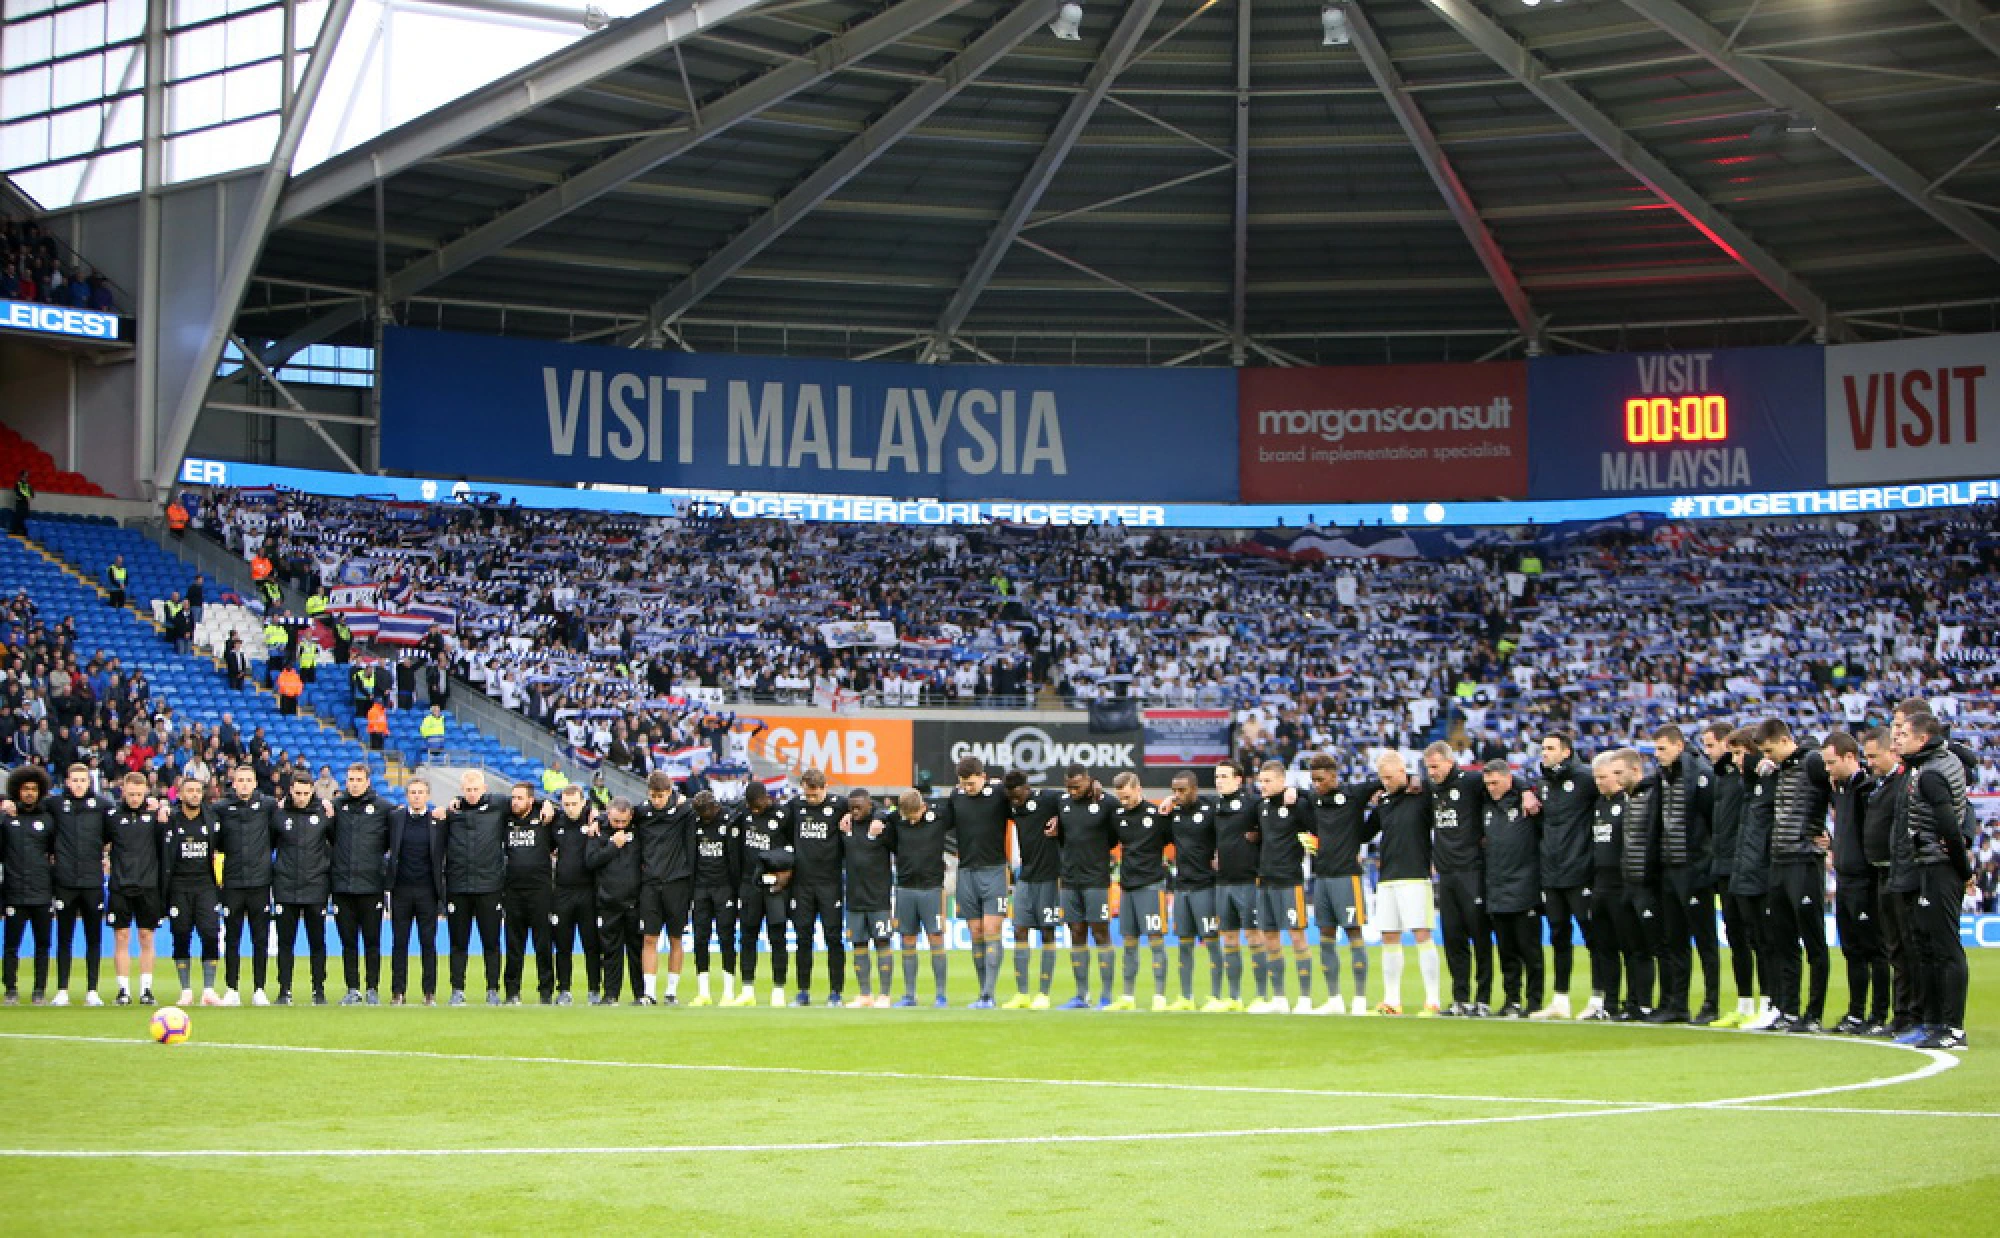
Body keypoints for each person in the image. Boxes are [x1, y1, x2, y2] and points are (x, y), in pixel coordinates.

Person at [1893, 712, 1970, 1050]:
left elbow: (1949, 827)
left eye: (1904, 734)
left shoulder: (1931, 774)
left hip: (1938, 868)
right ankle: (1934, 1022)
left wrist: (1963, 870)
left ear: (1921, 739)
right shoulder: (1941, 761)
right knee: (1928, 947)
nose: (1897, 739)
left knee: (1944, 949)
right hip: (1931, 865)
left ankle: (1952, 1027)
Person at [1754, 718, 1831, 1033]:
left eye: (1770, 750)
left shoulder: (1811, 760)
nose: (1767, 757)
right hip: (1780, 860)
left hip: (1804, 860)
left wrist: (1830, 838)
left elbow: (1835, 793)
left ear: (1784, 740)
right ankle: (1788, 1010)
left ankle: (1813, 1014)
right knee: (1783, 941)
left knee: (1813, 941)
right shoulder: (1779, 770)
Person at [1303, 753, 1380, 1016]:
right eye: (1313, 779)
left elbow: (1383, 781)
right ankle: (1334, 998)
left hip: (1348, 876)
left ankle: (1359, 999)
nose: (1316, 784)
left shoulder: (1354, 795)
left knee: (1354, 934)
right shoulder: (1312, 799)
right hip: (1322, 878)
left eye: (1321, 779)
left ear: (1334, 776)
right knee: (1325, 937)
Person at [931, 756, 1011, 1008]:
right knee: (976, 932)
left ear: (982, 776)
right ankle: (981, 993)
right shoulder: (957, 797)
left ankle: (989, 993)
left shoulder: (999, 793)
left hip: (994, 871)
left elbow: (1022, 806)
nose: (967, 788)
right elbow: (942, 822)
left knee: (991, 930)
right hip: (966, 872)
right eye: (963, 784)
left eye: (971, 783)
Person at [1650, 725, 1717, 1024]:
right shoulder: (1664, 778)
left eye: (1662, 748)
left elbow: (1710, 822)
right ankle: (1677, 1003)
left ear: (1678, 745)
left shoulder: (1701, 774)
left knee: (1704, 941)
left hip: (1693, 868)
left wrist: (1704, 865)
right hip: (1669, 867)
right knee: (1674, 939)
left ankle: (1711, 1002)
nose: (1657, 754)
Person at [1823, 731, 1888, 1036]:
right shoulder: (1842, 789)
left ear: (1850, 757)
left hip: (1865, 881)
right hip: (1845, 881)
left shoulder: (1867, 789)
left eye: (1831, 762)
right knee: (1851, 951)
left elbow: (1872, 835)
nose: (1828, 769)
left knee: (1874, 949)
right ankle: (1856, 1012)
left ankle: (1877, 1014)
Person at [1421, 741, 1493, 1017]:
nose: (1432, 773)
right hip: (1447, 874)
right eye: (1428, 768)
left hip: (1471, 871)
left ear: (1450, 762)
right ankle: (1460, 998)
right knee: (1453, 938)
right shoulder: (1431, 789)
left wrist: (1524, 792)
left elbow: (1503, 777)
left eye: (1435, 767)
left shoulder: (1471, 781)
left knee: (1480, 936)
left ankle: (1483, 999)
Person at [1369, 751, 1442, 1016]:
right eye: (1382, 778)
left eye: (1389, 777)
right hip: (1387, 877)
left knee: (1422, 933)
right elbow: (1367, 831)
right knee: (1389, 935)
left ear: (1402, 771)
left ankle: (1432, 999)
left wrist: (1418, 779)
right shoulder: (1384, 800)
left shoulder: (1421, 793)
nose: (1385, 782)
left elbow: (1441, 787)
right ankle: (1392, 1000)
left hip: (1415, 874)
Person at [1531, 732, 1596, 1020]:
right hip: (1552, 873)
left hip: (1580, 871)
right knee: (1558, 936)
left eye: (1550, 748)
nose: (1544, 753)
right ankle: (1560, 999)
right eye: (1543, 748)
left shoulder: (1584, 778)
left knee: (1593, 936)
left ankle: (1599, 997)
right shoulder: (1544, 783)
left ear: (1566, 752)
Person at [1702, 721, 1759, 1028]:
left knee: (1757, 939)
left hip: (1748, 866)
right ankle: (1744, 1003)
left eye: (1712, 744)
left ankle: (1768, 1004)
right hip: (1724, 868)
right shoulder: (1721, 778)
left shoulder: (1750, 779)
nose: (1708, 752)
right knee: (1736, 939)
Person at [1863, 726, 1918, 1036]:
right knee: (1894, 947)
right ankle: (1901, 1015)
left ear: (1892, 753)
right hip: (1882, 872)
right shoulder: (1879, 784)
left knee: (1905, 946)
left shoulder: (1903, 784)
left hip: (1900, 873)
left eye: (1874, 756)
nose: (1869, 762)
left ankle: (1912, 1015)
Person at [1250, 760, 1312, 1015]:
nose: (1262, 786)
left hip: (1290, 881)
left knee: (1297, 936)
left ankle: (1305, 999)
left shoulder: (1297, 805)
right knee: (1270, 938)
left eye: (1267, 781)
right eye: (1260, 781)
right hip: (1265, 881)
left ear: (1282, 781)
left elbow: (1317, 824)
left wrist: (1300, 794)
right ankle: (1279, 998)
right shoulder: (1261, 807)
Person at [1480, 760, 1541, 1018]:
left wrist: (1525, 789)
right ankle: (1511, 1000)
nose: (1492, 788)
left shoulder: (1526, 804)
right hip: (1496, 889)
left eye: (1496, 782)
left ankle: (1534, 1002)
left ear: (1508, 779)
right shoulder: (1484, 804)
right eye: (1488, 784)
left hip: (1525, 888)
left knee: (1530, 951)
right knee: (1507, 953)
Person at [329, 762, 393, 1005]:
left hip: (371, 886)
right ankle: (352, 988)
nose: (354, 784)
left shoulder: (384, 809)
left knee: (372, 941)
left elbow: (390, 842)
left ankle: (372, 988)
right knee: (348, 942)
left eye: (358, 779)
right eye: (350, 779)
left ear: (367, 781)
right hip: (342, 887)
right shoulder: (336, 807)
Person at [443, 770, 509, 1005]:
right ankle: (457, 989)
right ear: (462, 790)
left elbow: (525, 800)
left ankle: (492, 989)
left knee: (491, 943)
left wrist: (546, 805)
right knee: (458, 943)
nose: (472, 794)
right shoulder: (453, 812)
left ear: (484, 788)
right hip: (458, 887)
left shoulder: (498, 805)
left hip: (489, 887)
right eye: (468, 790)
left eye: (475, 789)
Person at [1052, 766, 1115, 1010]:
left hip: (1095, 879)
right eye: (1069, 787)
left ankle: (1106, 995)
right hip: (1069, 879)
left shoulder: (1105, 802)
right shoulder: (1063, 804)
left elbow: (1113, 838)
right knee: (1076, 931)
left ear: (1089, 781)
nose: (1073, 791)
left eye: (1077, 786)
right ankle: (1081, 994)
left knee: (1100, 932)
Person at [1161, 771, 1224, 1013]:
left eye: (1182, 790)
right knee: (1184, 943)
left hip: (1205, 886)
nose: (1177, 795)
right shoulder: (1173, 814)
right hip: (1182, 887)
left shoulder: (1210, 809)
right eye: (1174, 790)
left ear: (1194, 789)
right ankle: (1185, 996)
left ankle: (1216, 996)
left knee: (1211, 942)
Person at [1108, 771, 1171, 1012]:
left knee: (1156, 941)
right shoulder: (1118, 817)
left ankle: (1159, 996)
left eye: (1127, 796)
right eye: (1120, 798)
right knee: (1129, 943)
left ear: (1138, 788)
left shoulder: (1157, 816)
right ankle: (1127, 996)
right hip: (1127, 888)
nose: (1124, 802)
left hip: (1151, 886)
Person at [215, 764, 276, 1005]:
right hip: (232, 882)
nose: (244, 784)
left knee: (259, 938)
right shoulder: (222, 808)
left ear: (255, 783)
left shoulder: (268, 806)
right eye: (240, 780)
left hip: (260, 882)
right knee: (232, 937)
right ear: (234, 782)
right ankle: (232, 988)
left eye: (248, 780)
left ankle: (259, 988)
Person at [783, 768, 846, 1007]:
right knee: (803, 938)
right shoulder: (794, 806)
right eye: (807, 795)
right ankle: (802, 991)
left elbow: (868, 812)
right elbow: (785, 832)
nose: (810, 799)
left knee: (833, 937)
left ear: (825, 788)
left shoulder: (840, 805)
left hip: (830, 883)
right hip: (803, 884)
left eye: (814, 795)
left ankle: (836, 992)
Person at [50, 763, 111, 1006]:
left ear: (89, 782)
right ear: (67, 781)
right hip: (64, 882)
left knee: (93, 938)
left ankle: (92, 990)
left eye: (82, 780)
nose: (78, 784)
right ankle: (62, 989)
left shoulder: (102, 806)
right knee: (64, 937)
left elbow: (110, 836)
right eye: (74, 780)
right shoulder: (54, 805)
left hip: (92, 881)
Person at [160, 776, 223, 1006]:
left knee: (210, 934)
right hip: (178, 887)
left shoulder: (212, 818)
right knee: (181, 935)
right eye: (190, 791)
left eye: (198, 790)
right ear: (180, 794)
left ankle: (208, 990)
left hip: (206, 886)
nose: (195, 794)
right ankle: (185, 990)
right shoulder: (171, 820)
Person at [1001, 771, 1062, 1010]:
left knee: (1047, 933)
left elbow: (1072, 803)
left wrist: (1058, 818)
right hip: (1025, 878)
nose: (1014, 801)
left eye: (1017, 796)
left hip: (1049, 877)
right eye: (1010, 797)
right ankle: (1022, 993)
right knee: (1019, 931)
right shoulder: (1012, 805)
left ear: (1026, 788)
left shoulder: (1047, 799)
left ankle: (1044, 994)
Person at [730, 781, 794, 1007]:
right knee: (747, 937)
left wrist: (787, 873)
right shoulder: (741, 813)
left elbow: (794, 848)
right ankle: (747, 989)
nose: (755, 810)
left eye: (758, 806)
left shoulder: (783, 815)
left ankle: (779, 990)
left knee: (778, 937)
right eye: (752, 807)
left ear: (767, 798)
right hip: (751, 885)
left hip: (775, 886)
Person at [272, 771, 333, 1005]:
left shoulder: (324, 814)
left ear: (312, 792)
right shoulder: (278, 814)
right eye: (297, 793)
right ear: (290, 790)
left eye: (306, 793)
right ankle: (284, 990)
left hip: (315, 888)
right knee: (286, 943)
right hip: (286, 887)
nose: (301, 797)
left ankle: (318, 990)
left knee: (317, 943)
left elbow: (335, 843)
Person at [634, 771, 694, 1005]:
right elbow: (616, 814)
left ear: (669, 792)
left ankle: (671, 991)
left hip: (677, 884)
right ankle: (649, 992)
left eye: (660, 796)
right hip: (650, 884)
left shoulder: (683, 811)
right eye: (652, 796)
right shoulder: (642, 812)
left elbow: (709, 805)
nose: (656, 801)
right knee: (650, 938)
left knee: (675, 938)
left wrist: (685, 800)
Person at [386, 776, 447, 1006]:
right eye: (413, 792)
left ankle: (429, 992)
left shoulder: (438, 821)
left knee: (428, 943)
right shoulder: (395, 818)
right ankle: (398, 992)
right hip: (401, 890)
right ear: (407, 795)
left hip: (427, 891)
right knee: (399, 943)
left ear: (428, 795)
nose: (417, 796)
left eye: (421, 792)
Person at [105, 771, 163, 1004]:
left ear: (146, 792)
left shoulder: (154, 817)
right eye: (131, 794)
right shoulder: (112, 817)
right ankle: (123, 990)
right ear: (123, 792)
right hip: (120, 885)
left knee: (146, 936)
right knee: (121, 936)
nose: (135, 798)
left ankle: (146, 990)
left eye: (139, 794)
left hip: (148, 886)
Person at [2, 765, 58, 1003]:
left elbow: (55, 853)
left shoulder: (47, 819)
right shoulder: (6, 819)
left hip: (42, 893)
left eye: (33, 789)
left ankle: (39, 991)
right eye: (25, 789)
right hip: (14, 892)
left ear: (40, 791)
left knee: (42, 946)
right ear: (17, 790)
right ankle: (11, 990)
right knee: (11, 945)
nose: (29, 793)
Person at [887, 788, 948, 1008]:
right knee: (907, 940)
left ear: (923, 807)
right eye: (907, 816)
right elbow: (878, 816)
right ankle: (909, 995)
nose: (911, 820)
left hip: (932, 889)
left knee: (936, 939)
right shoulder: (895, 820)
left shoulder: (938, 817)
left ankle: (941, 995)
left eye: (915, 815)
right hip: (904, 889)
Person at [1210, 760, 1263, 1010]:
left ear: (1238, 779)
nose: (1219, 780)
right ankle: (1234, 997)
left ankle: (1263, 996)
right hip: (1222, 883)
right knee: (1229, 938)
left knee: (1254, 937)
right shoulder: (1214, 806)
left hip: (1248, 880)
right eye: (1217, 776)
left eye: (1224, 776)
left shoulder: (1253, 805)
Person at [499, 781, 557, 1005]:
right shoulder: (505, 818)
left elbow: (574, 811)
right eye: (513, 798)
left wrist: (548, 804)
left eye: (520, 798)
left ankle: (546, 992)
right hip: (513, 891)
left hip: (540, 891)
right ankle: (512, 992)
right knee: (514, 945)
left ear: (531, 800)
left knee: (543, 944)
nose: (515, 802)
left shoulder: (544, 818)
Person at [839, 788, 895, 1008]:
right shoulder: (846, 826)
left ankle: (885, 995)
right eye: (851, 807)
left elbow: (891, 814)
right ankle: (865, 994)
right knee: (859, 944)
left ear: (869, 805)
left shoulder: (881, 825)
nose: (854, 811)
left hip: (878, 897)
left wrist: (880, 816)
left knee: (883, 942)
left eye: (858, 807)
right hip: (854, 897)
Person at [586, 797, 645, 1004]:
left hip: (634, 902)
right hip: (608, 902)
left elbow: (646, 808)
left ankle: (641, 994)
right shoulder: (598, 832)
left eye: (624, 821)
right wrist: (612, 845)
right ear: (608, 815)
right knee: (611, 952)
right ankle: (611, 995)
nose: (620, 825)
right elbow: (590, 861)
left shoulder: (638, 828)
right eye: (615, 821)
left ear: (630, 817)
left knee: (636, 952)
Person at [686, 790, 740, 1007]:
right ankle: (703, 992)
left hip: (724, 888)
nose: (705, 815)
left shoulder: (728, 820)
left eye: (707, 811)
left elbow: (734, 858)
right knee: (700, 939)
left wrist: (736, 892)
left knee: (726, 938)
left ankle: (728, 992)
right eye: (700, 812)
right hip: (700, 888)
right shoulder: (694, 822)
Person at [550, 784, 601, 1006]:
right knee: (563, 944)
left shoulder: (593, 819)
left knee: (591, 944)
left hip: (588, 891)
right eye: (566, 804)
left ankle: (594, 990)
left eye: (574, 804)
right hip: (562, 891)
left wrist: (598, 816)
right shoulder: (557, 822)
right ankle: (564, 990)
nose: (570, 808)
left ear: (583, 802)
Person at [11, 469, 29, 535]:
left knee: (25, 519)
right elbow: (17, 495)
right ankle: (14, 532)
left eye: (26, 476)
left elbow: (30, 495)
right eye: (24, 476)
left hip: (25, 505)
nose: (26, 478)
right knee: (17, 518)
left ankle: (24, 533)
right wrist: (24, 497)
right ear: (22, 476)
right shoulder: (18, 484)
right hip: (19, 504)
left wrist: (27, 497)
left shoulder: (27, 485)